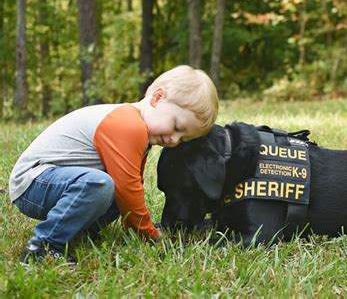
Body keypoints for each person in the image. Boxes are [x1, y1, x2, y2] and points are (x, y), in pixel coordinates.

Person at [8, 65, 219, 265]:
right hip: (33, 182)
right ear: (157, 97)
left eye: (182, 139)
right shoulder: (127, 125)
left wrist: (136, 225)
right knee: (100, 184)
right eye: (176, 127)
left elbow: (131, 185)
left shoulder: (140, 130)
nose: (174, 140)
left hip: (56, 184)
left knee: (113, 191)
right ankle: (45, 245)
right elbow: (127, 188)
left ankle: (79, 230)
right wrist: (148, 233)